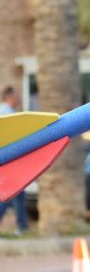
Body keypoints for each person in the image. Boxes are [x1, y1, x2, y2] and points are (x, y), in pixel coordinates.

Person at [0, 86, 29, 235]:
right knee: (13, 194)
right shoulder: (7, 114)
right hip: (10, 159)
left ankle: (23, 226)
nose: (19, 99)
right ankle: (22, 226)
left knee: (15, 194)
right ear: (9, 97)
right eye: (17, 96)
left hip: (8, 160)